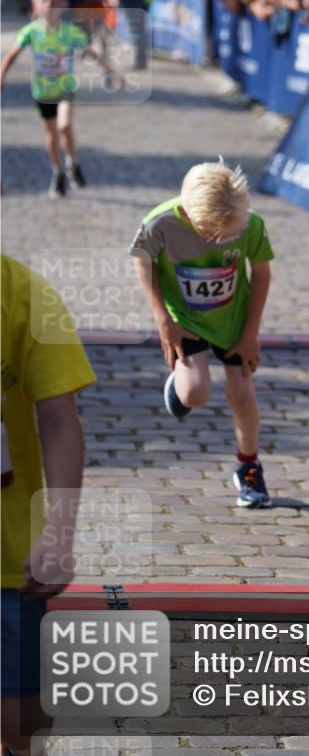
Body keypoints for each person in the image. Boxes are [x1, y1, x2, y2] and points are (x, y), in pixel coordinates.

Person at [130, 160, 274, 508]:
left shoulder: (250, 224)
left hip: (233, 321)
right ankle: (180, 383)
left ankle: (248, 467)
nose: (219, 239)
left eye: (226, 236)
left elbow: (262, 274)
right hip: (185, 319)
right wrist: (163, 320)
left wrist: (250, 333)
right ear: (185, 210)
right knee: (195, 394)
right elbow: (142, 262)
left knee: (242, 396)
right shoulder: (160, 222)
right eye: (209, 233)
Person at [1, 255, 96, 756]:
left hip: (8, 560)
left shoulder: (29, 298)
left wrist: (59, 533)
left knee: (20, 723)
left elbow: (60, 422)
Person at [0, 0, 121, 198]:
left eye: (54, 3)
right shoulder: (30, 31)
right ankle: (58, 173)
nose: (50, 7)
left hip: (65, 88)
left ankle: (73, 163)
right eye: (45, 2)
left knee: (64, 125)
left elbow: (91, 54)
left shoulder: (70, 32)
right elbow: (11, 55)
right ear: (35, 7)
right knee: (51, 134)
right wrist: (1, 77)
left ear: (63, 8)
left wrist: (113, 73)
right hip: (42, 92)